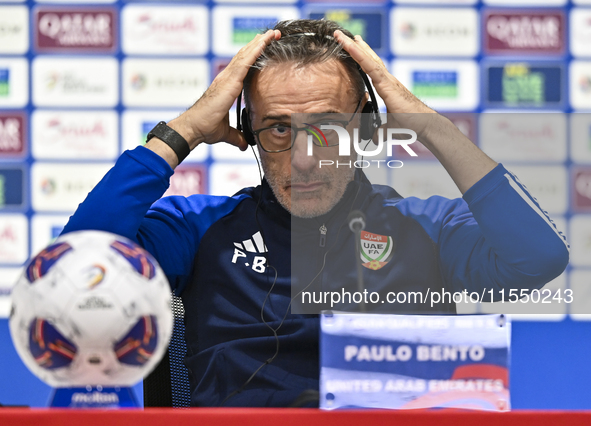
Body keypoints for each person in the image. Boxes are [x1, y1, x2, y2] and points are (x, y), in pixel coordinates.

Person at [62, 20, 569, 406]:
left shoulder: (429, 227)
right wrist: (185, 129)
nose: (304, 158)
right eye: (278, 129)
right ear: (249, 133)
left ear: (367, 132)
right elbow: (77, 265)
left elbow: (539, 257)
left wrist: (427, 124)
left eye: (328, 126)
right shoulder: (198, 227)